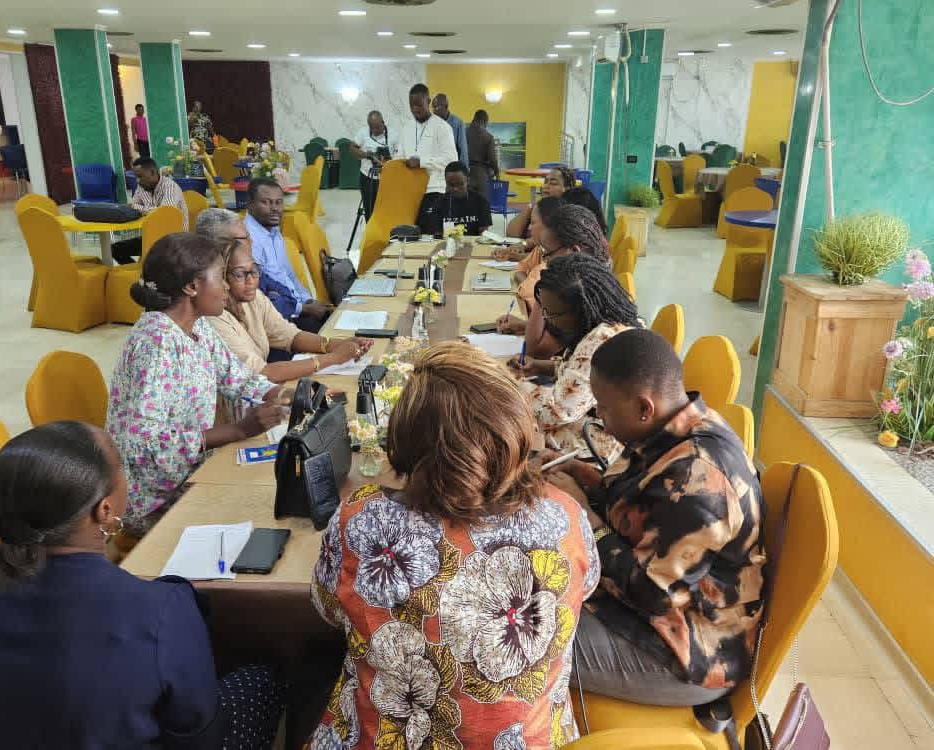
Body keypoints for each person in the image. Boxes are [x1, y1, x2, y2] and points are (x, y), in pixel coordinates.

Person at [309, 341, 600, 750]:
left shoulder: (358, 519)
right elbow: (585, 588)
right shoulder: (566, 516)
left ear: (407, 439)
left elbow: (327, 609)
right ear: (515, 430)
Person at [0, 421, 284, 748]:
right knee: (266, 675)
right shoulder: (159, 611)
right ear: (104, 510)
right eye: (121, 468)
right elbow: (201, 736)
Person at [541, 329, 766, 705]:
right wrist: (590, 482)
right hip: (659, 612)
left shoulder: (698, 476)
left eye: (604, 408)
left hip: (688, 650)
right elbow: (649, 511)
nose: (600, 419)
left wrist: (586, 518)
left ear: (644, 408)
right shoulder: (676, 428)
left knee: (518, 642)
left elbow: (652, 595)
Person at [107, 232, 288, 536]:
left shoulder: (197, 325)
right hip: (153, 499)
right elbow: (145, 447)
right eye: (220, 277)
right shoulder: (156, 345)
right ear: (191, 287)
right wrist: (238, 430)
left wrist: (285, 394)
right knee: (265, 508)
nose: (227, 286)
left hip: (190, 471)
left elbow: (235, 375)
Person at [197, 208, 375, 381]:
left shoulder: (251, 295)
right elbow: (261, 373)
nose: (251, 242)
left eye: (254, 271)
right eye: (240, 274)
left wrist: (336, 344)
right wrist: (333, 358)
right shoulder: (212, 316)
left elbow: (288, 334)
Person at [510, 253, 639, 460]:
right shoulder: (608, 322)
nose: (548, 320)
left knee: (504, 429)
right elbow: (583, 375)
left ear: (581, 309)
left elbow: (555, 412)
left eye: (552, 313)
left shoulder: (601, 340)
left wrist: (507, 383)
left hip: (599, 443)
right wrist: (541, 366)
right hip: (590, 420)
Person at [498, 204, 612, 359]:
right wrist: (524, 325)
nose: (544, 260)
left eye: (547, 253)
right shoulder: (591, 276)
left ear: (574, 252)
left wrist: (545, 284)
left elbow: (535, 349)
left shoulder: (581, 290)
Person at [244, 177, 333, 333]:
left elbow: (289, 275)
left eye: (278, 202)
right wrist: (303, 309)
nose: (275, 208)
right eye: (266, 202)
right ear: (250, 204)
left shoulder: (274, 231)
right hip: (277, 317)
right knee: (330, 334)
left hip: (296, 306)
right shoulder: (247, 239)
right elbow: (262, 294)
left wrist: (308, 300)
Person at [395, 83, 457, 236]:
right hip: (410, 192)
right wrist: (392, 165)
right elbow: (400, 156)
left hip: (434, 191)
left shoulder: (442, 127)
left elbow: (451, 160)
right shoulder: (406, 128)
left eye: (419, 105)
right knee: (409, 236)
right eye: (412, 105)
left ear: (428, 101)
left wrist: (422, 161)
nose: (415, 109)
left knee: (430, 236)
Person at [111, 157, 189, 264]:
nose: (137, 181)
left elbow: (163, 213)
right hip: (152, 236)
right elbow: (133, 206)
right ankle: (141, 272)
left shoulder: (170, 187)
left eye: (140, 176)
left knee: (151, 257)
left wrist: (139, 208)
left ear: (152, 172)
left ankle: (147, 271)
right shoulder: (142, 186)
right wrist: (142, 208)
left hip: (173, 240)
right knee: (115, 249)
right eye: (136, 177)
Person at [350, 110, 397, 221]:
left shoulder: (394, 134)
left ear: (383, 122)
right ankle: (370, 230)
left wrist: (388, 162)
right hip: (367, 178)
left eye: (377, 127)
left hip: (387, 179)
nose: (375, 130)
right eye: (372, 128)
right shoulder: (363, 133)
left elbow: (400, 155)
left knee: (387, 210)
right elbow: (352, 148)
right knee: (369, 210)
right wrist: (366, 154)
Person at [506, 165, 576, 240]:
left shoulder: (569, 214)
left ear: (567, 189)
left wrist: (527, 243)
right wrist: (530, 208)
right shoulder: (538, 209)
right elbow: (511, 234)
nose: (546, 186)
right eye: (545, 182)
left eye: (553, 183)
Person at [434, 161, 492, 236]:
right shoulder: (439, 203)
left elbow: (483, 235)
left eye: (460, 184)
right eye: (451, 185)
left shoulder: (481, 202)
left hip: (473, 242)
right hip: (448, 242)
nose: (455, 189)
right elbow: (438, 235)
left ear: (468, 181)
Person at [466, 109, 499, 199]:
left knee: (466, 203)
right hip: (481, 175)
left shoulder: (463, 133)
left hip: (465, 173)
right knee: (482, 204)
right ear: (485, 121)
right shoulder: (488, 137)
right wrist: (497, 172)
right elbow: (492, 158)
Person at [432, 93, 468, 167]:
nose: (434, 111)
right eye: (433, 107)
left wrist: (464, 169)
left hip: (452, 167)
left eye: (437, 107)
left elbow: (463, 149)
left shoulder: (458, 123)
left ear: (446, 107)